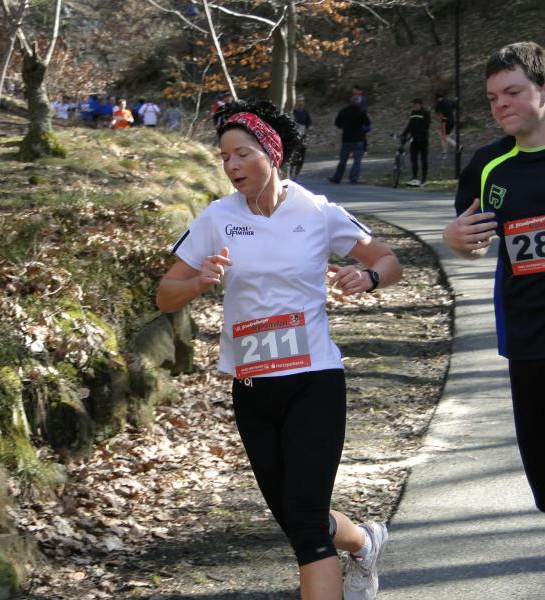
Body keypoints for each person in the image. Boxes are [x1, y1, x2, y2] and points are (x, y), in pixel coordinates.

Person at [157, 98, 402, 600]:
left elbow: (387, 260)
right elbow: (165, 295)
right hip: (253, 387)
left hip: (314, 380)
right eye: (224, 157)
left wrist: (368, 277)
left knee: (307, 527)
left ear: (272, 153)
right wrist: (199, 281)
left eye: (242, 154)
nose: (232, 166)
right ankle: (363, 541)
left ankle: (352, 550)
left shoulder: (316, 211)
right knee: (296, 518)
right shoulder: (217, 217)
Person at [442, 41, 545, 513]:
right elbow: (471, 242)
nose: (501, 104)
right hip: (528, 337)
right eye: (492, 97)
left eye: (513, 92)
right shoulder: (488, 165)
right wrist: (455, 240)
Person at [329, 96, 371, 184]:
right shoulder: (361, 112)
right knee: (357, 160)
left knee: (343, 160)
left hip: (346, 138)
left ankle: (337, 177)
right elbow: (367, 123)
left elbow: (337, 123)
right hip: (358, 138)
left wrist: (344, 127)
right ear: (358, 102)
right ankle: (353, 178)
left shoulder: (344, 111)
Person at [400, 98, 431, 186]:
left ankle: (424, 179)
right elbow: (410, 125)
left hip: (423, 140)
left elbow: (426, 126)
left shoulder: (425, 113)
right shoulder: (413, 113)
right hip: (414, 140)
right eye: (413, 104)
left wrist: (420, 134)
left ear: (420, 105)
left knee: (424, 159)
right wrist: (404, 134)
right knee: (413, 159)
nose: (414, 106)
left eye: (415, 104)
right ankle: (414, 178)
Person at [290, 94, 312, 180]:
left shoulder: (305, 112)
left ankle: (296, 177)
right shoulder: (292, 112)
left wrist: (305, 128)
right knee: (292, 158)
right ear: (295, 102)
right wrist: (297, 126)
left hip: (303, 138)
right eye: (299, 101)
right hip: (294, 138)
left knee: (301, 158)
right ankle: (289, 176)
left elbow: (309, 123)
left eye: (302, 101)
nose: (301, 103)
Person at [434, 91, 458, 157]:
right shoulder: (449, 101)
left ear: (437, 98)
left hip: (445, 122)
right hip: (452, 120)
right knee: (445, 137)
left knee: (444, 137)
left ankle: (457, 146)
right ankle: (444, 153)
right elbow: (455, 105)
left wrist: (440, 117)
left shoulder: (438, 103)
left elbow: (437, 113)